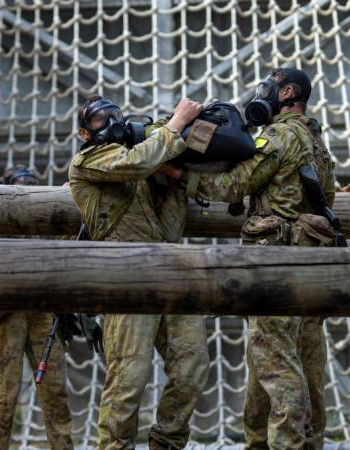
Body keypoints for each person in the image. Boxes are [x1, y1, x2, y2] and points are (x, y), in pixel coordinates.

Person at [160, 68, 350, 450]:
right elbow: (326, 199)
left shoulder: (280, 136)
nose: (261, 94)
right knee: (281, 363)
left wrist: (180, 176)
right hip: (311, 267)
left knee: (277, 366)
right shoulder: (317, 142)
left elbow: (235, 184)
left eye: (268, 87)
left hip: (274, 268)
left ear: (287, 93)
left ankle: (286, 444)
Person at [69, 95, 210, 450]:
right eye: (100, 119)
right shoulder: (89, 160)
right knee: (128, 378)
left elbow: (170, 229)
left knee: (192, 365)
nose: (112, 122)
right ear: (84, 133)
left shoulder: (145, 165)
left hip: (169, 272)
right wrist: (175, 125)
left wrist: (172, 180)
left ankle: (167, 441)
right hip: (127, 277)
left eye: (115, 115)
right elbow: (133, 164)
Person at [0, 165, 76, 450]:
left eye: (31, 186)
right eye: (20, 186)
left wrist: (67, 198)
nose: (26, 191)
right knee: (4, 392)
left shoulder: (42, 219)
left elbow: (66, 242)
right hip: (8, 313)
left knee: (56, 390)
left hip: (41, 311)